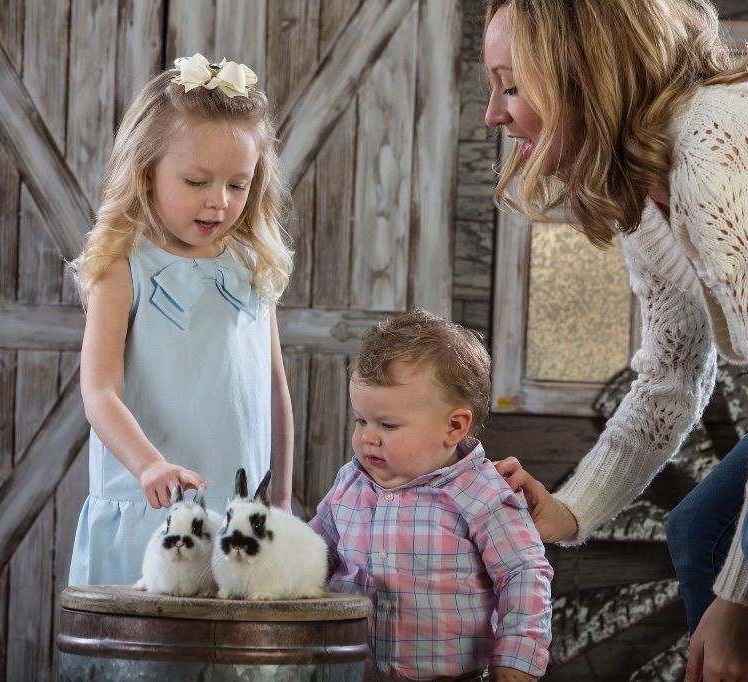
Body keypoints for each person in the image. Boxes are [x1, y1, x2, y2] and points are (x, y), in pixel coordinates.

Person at [482, 0, 748, 679]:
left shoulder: (716, 146)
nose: (494, 113)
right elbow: (670, 377)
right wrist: (570, 510)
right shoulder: (644, 185)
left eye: (511, 85)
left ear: (582, 76)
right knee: (704, 531)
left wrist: (736, 606)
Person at [67, 53, 295, 586]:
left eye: (238, 185)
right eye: (197, 181)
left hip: (240, 520)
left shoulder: (250, 264)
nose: (219, 201)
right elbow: (99, 391)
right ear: (146, 173)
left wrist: (280, 496)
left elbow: (274, 391)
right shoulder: (123, 265)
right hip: (150, 509)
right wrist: (149, 464)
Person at [310, 309, 553, 682]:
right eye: (361, 421)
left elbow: (523, 572)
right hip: (348, 670)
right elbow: (311, 553)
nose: (367, 438)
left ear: (454, 426)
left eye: (387, 425)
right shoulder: (350, 482)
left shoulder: (483, 493)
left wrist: (517, 658)